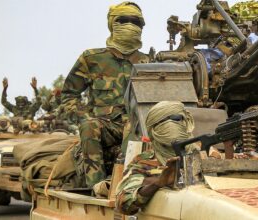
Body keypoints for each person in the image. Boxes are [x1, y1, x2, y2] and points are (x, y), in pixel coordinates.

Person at [60, 1, 149, 187]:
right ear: (113, 24)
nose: (131, 26)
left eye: (136, 22)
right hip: (106, 127)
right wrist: (84, 117)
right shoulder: (91, 58)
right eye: (124, 20)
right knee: (89, 126)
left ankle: (130, 184)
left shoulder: (149, 62)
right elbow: (68, 95)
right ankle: (98, 186)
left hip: (138, 127)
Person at [116, 101, 196, 215]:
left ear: (185, 121)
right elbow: (123, 204)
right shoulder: (143, 161)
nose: (171, 124)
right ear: (153, 127)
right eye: (163, 121)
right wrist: (158, 183)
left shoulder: (205, 153)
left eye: (176, 119)